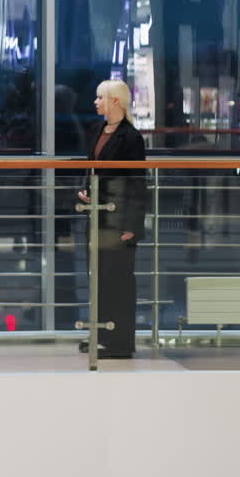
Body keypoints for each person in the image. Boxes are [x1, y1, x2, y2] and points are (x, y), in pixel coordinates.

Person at [77, 79, 147, 359]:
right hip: (98, 218)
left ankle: (120, 343)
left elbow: (138, 184)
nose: (95, 102)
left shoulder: (131, 137)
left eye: (100, 97)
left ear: (115, 101)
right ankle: (103, 334)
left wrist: (133, 226)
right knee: (100, 279)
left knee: (118, 281)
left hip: (118, 221)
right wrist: (84, 189)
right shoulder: (98, 130)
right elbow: (91, 166)